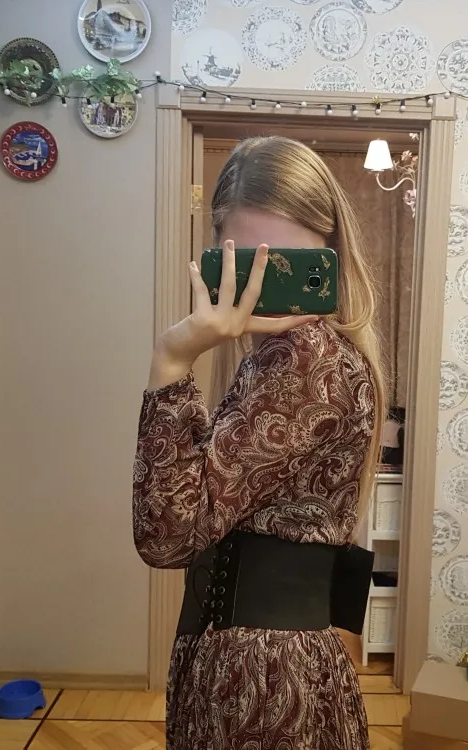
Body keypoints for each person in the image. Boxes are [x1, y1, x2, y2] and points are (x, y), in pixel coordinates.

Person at [132, 136, 386, 749]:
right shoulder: (290, 356)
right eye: (251, 263)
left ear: (330, 255)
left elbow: (166, 535)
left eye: (293, 263)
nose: (270, 285)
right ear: (218, 257)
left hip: (263, 676)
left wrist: (172, 357)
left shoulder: (305, 358)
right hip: (265, 661)